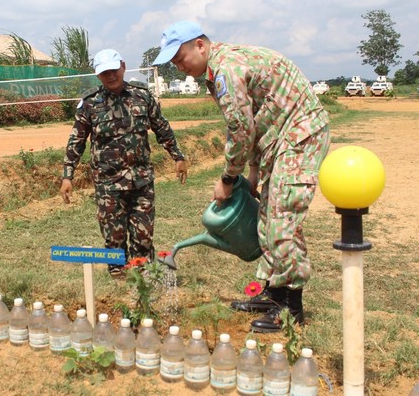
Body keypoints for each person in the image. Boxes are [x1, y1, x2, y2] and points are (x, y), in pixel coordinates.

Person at [152, 21, 329, 332]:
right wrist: (255, 170)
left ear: (200, 46)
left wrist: (228, 178)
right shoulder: (222, 65)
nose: (179, 67)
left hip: (299, 137)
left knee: (281, 219)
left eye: (180, 58)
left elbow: (241, 129)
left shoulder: (226, 71)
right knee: (267, 215)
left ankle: (291, 308)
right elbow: (261, 115)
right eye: (174, 63)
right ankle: (274, 296)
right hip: (281, 138)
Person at [60, 48, 188, 275]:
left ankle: (142, 274)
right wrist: (67, 176)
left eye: (114, 70)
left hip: (142, 182)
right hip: (108, 184)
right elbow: (76, 141)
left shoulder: (142, 96)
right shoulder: (90, 103)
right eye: (104, 73)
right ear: (98, 75)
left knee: (144, 235)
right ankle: (117, 273)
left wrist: (177, 156)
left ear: (123, 66)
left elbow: (161, 128)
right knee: (113, 236)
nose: (111, 76)